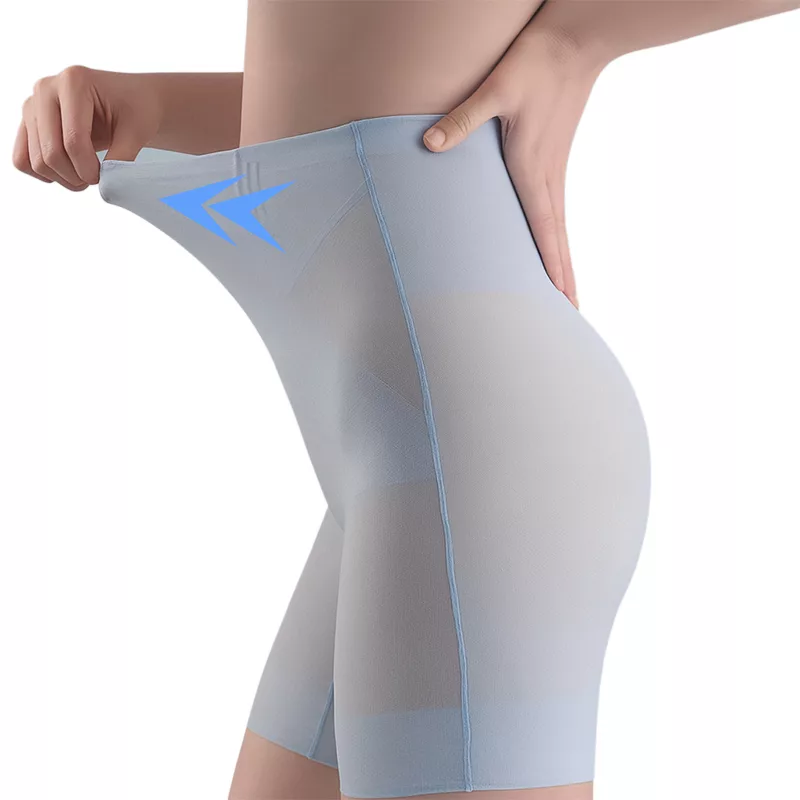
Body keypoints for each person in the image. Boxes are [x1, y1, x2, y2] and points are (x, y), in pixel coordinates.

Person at [11, 2, 799, 799]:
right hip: (418, 451)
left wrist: (577, 40)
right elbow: (364, 96)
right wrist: (156, 105)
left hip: (477, 444)